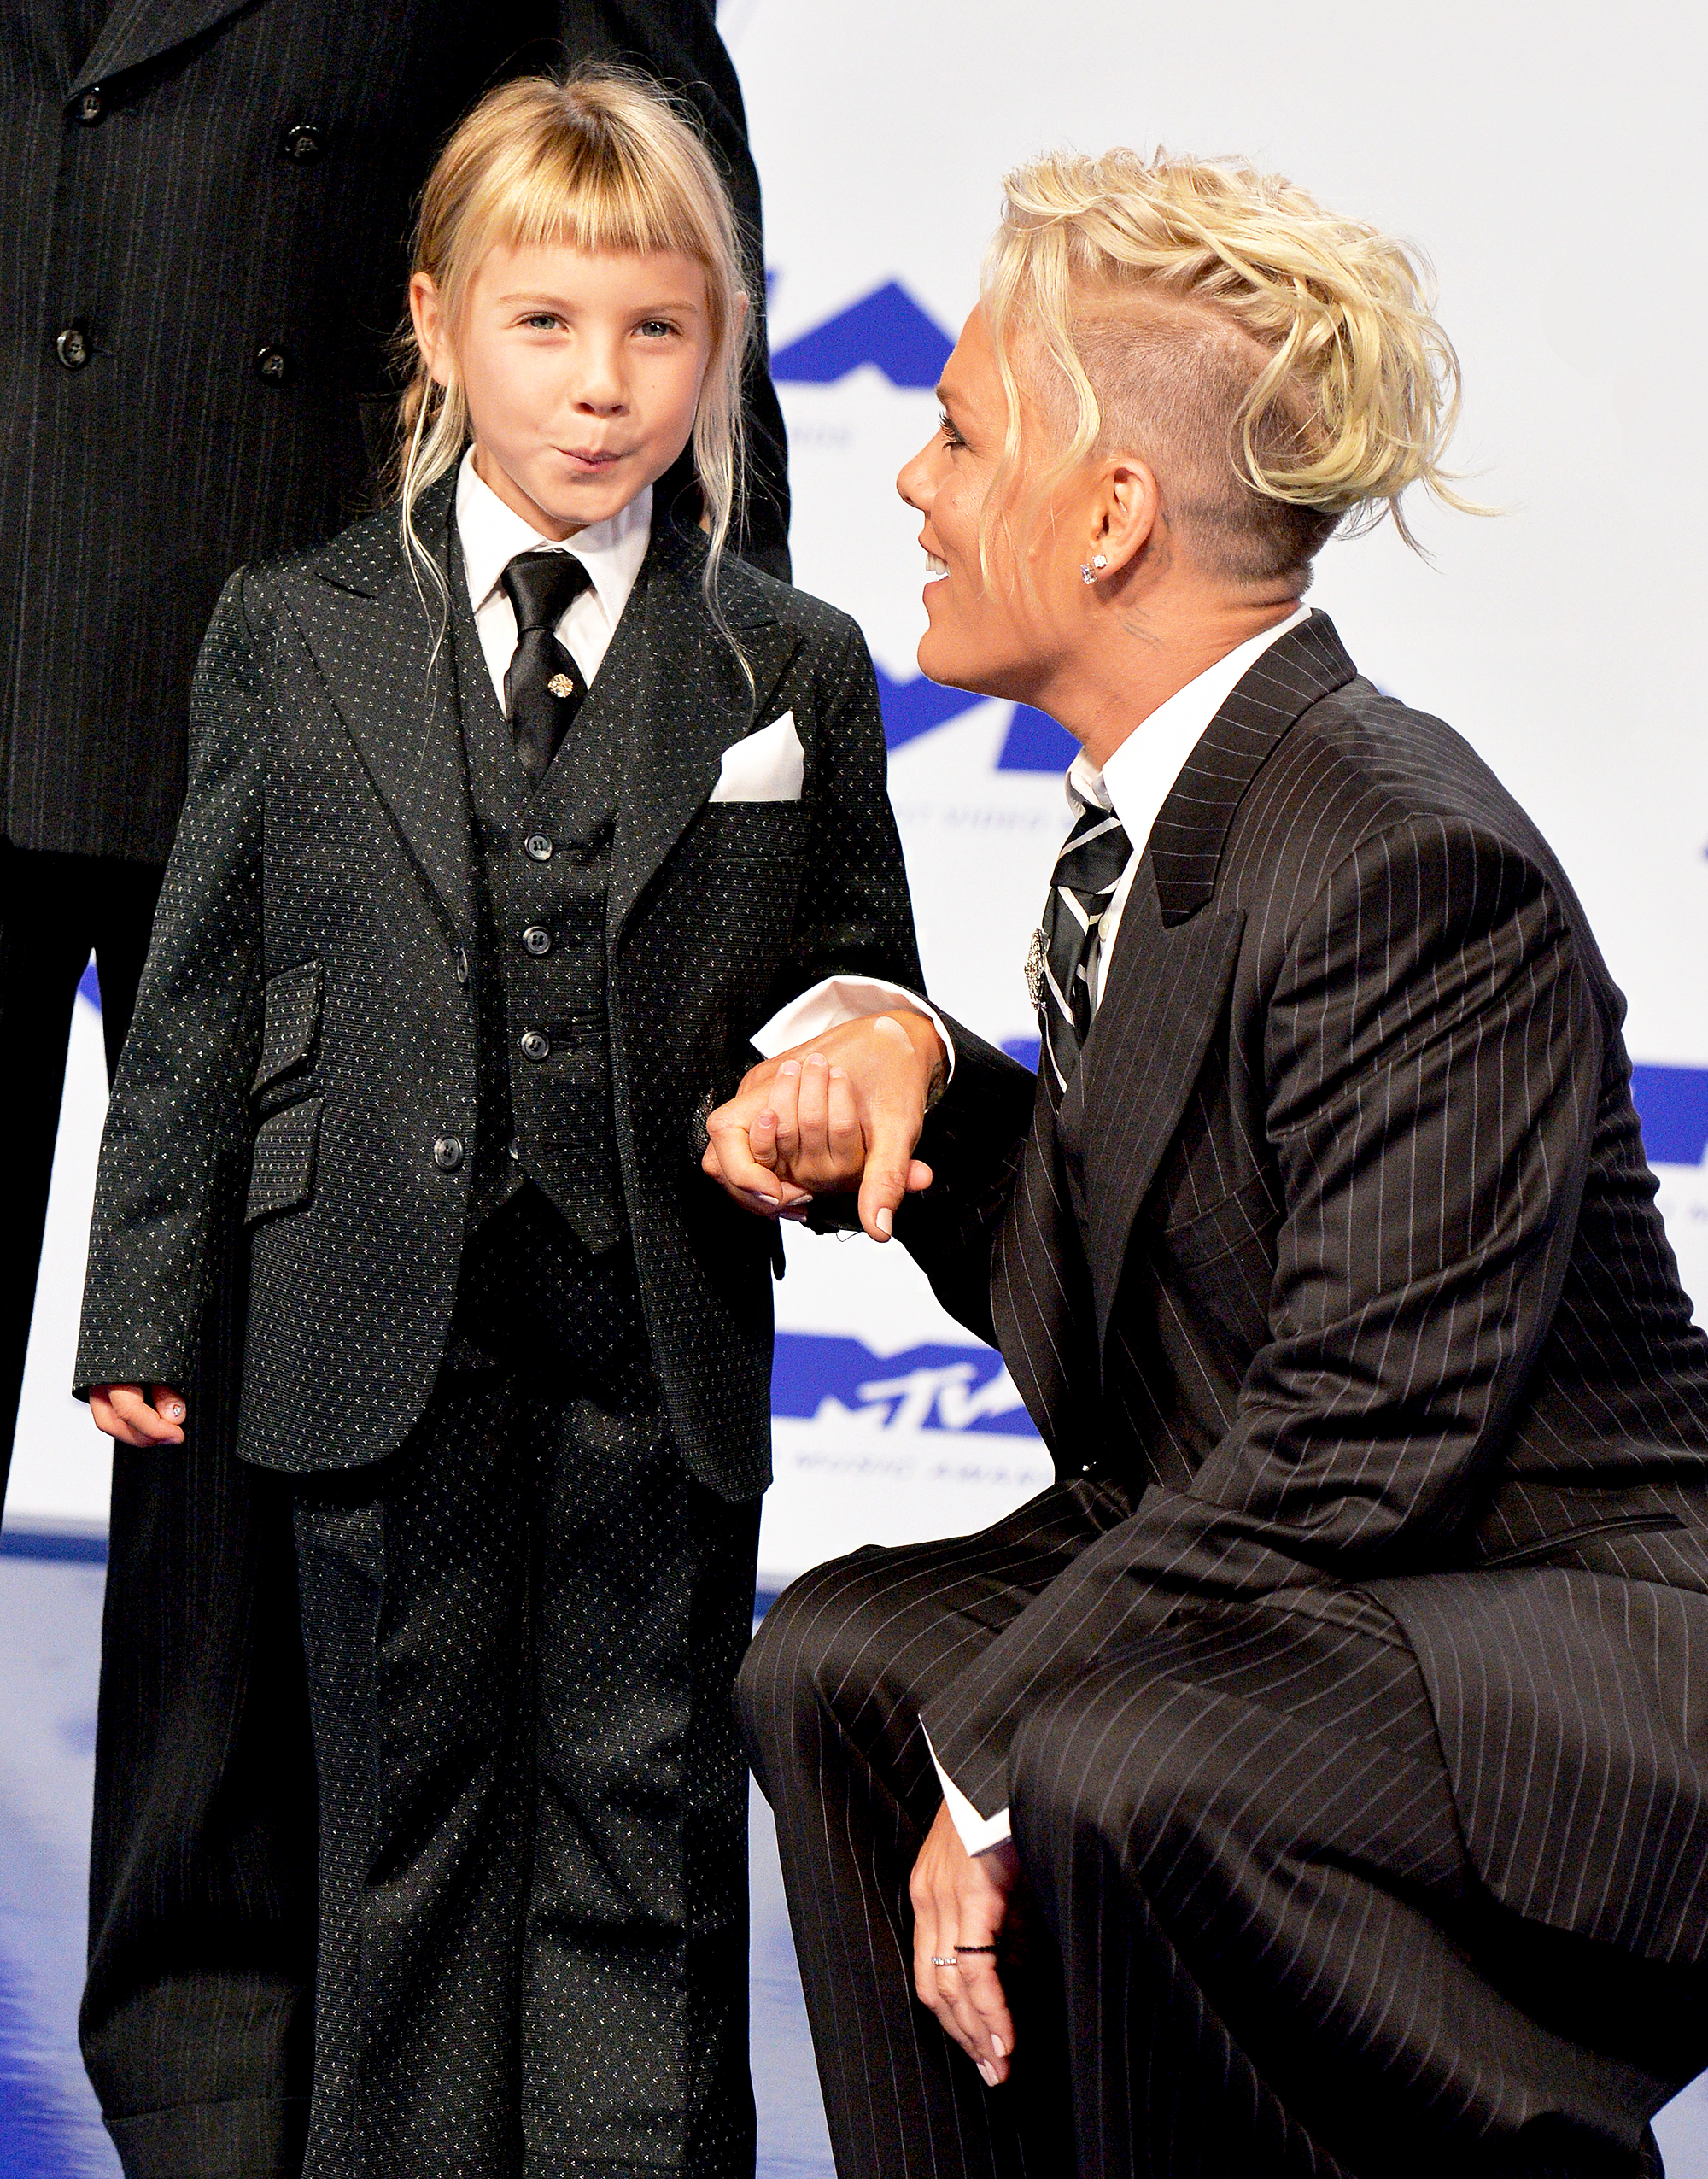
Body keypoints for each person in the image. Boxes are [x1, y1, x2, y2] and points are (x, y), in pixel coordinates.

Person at [711, 149, 1708, 2176]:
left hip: (1560, 1646)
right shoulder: (1175, 815)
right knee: (842, 1666)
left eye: (959, 433)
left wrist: (999, 1748)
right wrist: (929, 1084)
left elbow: (1358, 1430)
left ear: (1109, 518)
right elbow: (1157, 1331)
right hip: (1367, 1591)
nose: (911, 480)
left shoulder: (1402, 856)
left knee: (1090, 1747)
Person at [76, 73, 921, 2179]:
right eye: (545, 323)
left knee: (643, 1799)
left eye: (656, 329)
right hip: (373, 1319)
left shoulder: (786, 663)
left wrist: (818, 1093)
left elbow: (853, 967)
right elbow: (197, 991)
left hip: (653, 1322)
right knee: (400, 1810)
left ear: (722, 345)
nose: (601, 384)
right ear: (438, 325)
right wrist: (143, 1295)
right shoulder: (297, 632)